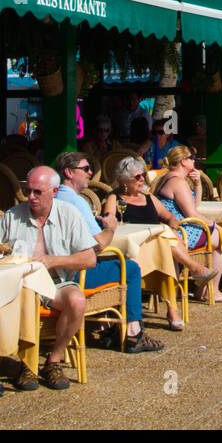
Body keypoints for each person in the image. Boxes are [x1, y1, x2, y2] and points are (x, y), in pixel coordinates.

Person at [0, 167, 97, 389]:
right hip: (20, 286)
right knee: (23, 296)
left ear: (54, 191)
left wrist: (53, 260)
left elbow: (89, 258)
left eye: (37, 192)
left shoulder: (69, 214)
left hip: (57, 283)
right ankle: (26, 364)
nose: (31, 197)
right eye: (28, 191)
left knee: (77, 301)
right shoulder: (13, 216)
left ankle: (53, 360)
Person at [51, 151, 162, 352]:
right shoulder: (77, 202)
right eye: (85, 169)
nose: (90, 172)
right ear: (68, 172)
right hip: (76, 275)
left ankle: (109, 324)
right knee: (131, 268)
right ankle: (133, 333)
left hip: (54, 272)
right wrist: (110, 227)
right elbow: (99, 244)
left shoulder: (54, 197)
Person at [116, 156, 218, 328]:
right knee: (166, 245)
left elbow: (169, 216)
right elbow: (110, 221)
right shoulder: (115, 200)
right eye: (137, 177)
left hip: (156, 245)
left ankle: (173, 306)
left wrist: (173, 225)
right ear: (124, 181)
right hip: (135, 248)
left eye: (143, 175)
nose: (142, 180)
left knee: (166, 247)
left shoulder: (148, 198)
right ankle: (179, 298)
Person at [154, 145, 222, 304]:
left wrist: (197, 185)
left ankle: (203, 287)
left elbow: (193, 206)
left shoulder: (169, 177)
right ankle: (210, 290)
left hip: (176, 226)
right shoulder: (178, 182)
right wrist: (214, 225)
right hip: (181, 229)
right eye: (191, 158)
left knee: (219, 234)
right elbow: (192, 214)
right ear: (183, 161)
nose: (194, 160)